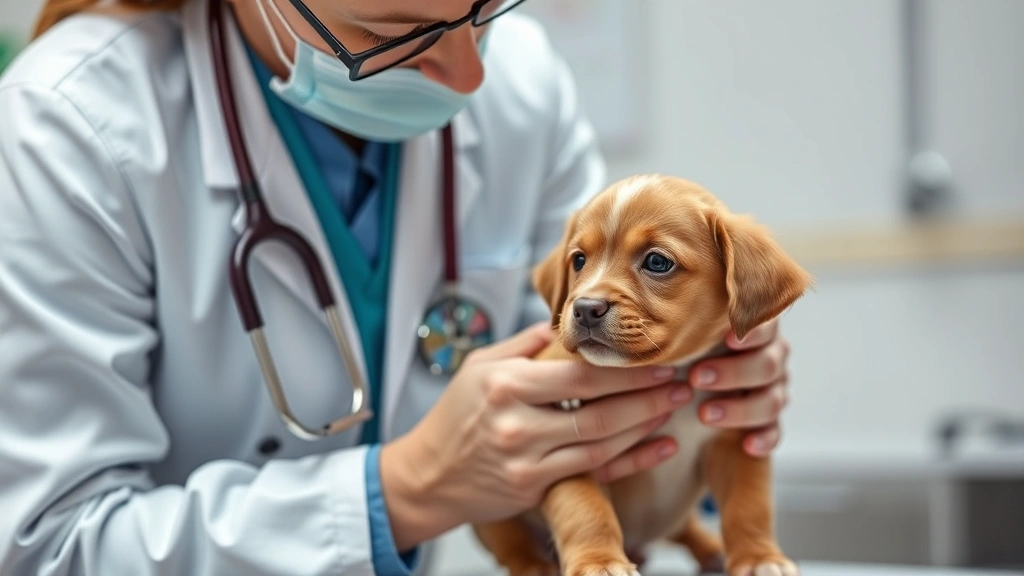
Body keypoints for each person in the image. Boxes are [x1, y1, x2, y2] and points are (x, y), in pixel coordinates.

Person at [0, 0, 794, 574]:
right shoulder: (65, 124)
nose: (469, 74)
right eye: (395, 35)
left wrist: (710, 370)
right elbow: (47, 545)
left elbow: (574, 362)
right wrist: (402, 492)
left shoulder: (522, 83)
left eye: (487, 9)